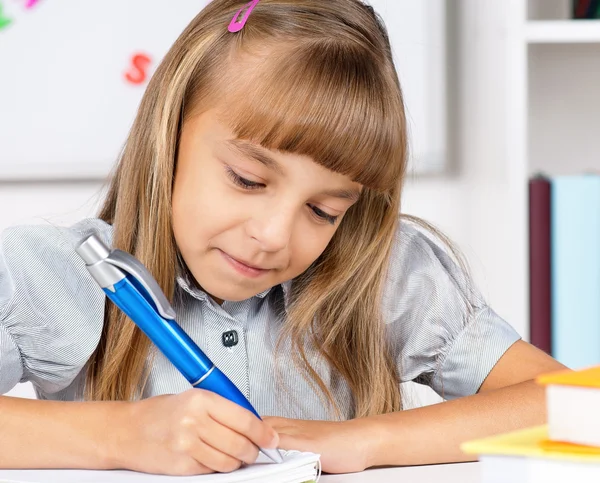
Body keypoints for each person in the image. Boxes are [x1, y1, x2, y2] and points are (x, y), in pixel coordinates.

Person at [0, 0, 566, 476]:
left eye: (323, 211)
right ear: (169, 135)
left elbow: (578, 408)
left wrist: (367, 442)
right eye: (248, 180)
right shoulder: (59, 274)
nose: (272, 236)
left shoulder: (384, 275)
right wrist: (121, 436)